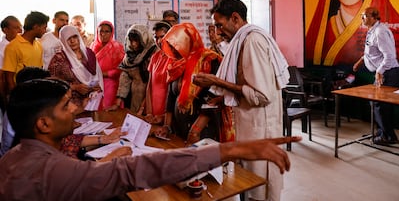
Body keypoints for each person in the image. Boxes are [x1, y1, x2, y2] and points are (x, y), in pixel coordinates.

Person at [0, 79, 300, 201]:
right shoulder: (48, 170)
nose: (76, 109)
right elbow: (131, 172)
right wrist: (229, 150)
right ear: (43, 123)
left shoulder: (13, 158)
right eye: (68, 105)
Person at [193, 0, 290, 201]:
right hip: (251, 126)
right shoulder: (243, 40)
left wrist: (217, 82)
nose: (218, 32)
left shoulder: (252, 41)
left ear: (235, 18)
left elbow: (261, 95)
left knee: (259, 187)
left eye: (219, 25)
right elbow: (249, 83)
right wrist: (224, 97)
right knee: (250, 184)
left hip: (259, 129)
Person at [0, 66, 127, 160]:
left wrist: (104, 138)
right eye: (65, 105)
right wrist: (111, 158)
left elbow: (68, 141)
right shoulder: (42, 160)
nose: (73, 109)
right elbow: (82, 177)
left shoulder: (36, 134)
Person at [155, 23, 234, 146]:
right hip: (179, 130)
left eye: (176, 45)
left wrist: (195, 131)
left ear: (187, 42)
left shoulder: (209, 60)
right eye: (170, 46)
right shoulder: (175, 65)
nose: (173, 50)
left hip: (203, 132)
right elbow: (171, 97)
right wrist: (167, 126)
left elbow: (212, 99)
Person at [353, 7, 399, 145]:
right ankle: (383, 132)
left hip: (388, 73)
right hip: (383, 72)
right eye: (362, 15)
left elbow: (389, 56)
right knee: (377, 104)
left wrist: (379, 71)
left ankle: (387, 136)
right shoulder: (373, 30)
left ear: (374, 17)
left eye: (365, 16)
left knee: (380, 105)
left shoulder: (380, 32)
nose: (362, 18)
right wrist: (360, 61)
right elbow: (372, 52)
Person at [48, 25, 103, 111]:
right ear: (63, 41)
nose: (72, 41)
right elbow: (51, 82)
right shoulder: (59, 58)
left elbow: (97, 76)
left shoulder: (89, 54)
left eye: (75, 37)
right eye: (68, 39)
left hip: (91, 100)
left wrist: (96, 87)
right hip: (70, 104)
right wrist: (74, 87)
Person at [2, 11, 49, 95]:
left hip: (36, 93)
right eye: (44, 28)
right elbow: (9, 77)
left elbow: (40, 69)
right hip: (21, 94)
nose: (45, 31)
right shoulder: (13, 47)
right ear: (36, 27)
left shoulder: (38, 45)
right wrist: (16, 96)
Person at [116, 24, 157, 112]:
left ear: (143, 39)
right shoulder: (129, 56)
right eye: (131, 41)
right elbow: (125, 76)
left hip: (151, 94)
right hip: (135, 95)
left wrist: (143, 106)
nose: (133, 44)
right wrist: (118, 101)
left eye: (136, 41)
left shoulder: (154, 52)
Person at [139, 20, 172, 125]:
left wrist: (164, 116)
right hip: (152, 114)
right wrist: (148, 112)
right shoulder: (155, 57)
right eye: (156, 37)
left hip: (167, 115)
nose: (159, 41)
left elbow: (172, 93)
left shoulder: (175, 58)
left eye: (162, 37)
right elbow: (150, 86)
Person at [90, 21, 125, 110]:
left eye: (107, 31)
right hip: (95, 85)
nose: (103, 34)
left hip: (111, 85)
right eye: (101, 31)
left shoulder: (117, 47)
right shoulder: (93, 46)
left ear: (111, 33)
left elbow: (121, 69)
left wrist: (103, 74)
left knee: (109, 111)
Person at [0, 16, 22, 110]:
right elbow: (1, 78)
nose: (20, 31)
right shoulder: (2, 49)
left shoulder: (21, 44)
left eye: (20, 27)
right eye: (16, 27)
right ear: (5, 30)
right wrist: (4, 101)